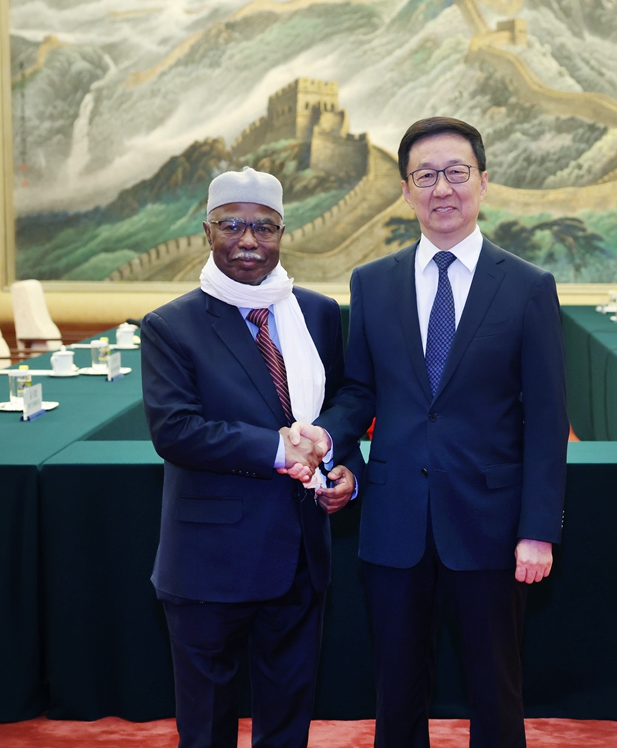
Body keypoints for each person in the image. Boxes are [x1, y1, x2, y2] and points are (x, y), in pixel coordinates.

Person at [290, 117, 568, 747]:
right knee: (396, 689)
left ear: (483, 182)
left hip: (491, 525)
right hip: (394, 521)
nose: (442, 188)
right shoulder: (372, 283)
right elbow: (359, 392)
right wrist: (327, 438)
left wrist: (537, 530)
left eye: (456, 172)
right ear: (406, 190)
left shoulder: (528, 287)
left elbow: (548, 420)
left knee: (495, 690)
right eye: (425, 176)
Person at [140, 167, 362, 748]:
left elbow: (343, 402)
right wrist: (278, 448)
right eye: (231, 225)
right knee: (207, 728)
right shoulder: (171, 325)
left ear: (282, 232)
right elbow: (175, 430)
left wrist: (341, 467)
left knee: (288, 723)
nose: (248, 240)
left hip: (300, 554)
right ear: (206, 231)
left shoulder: (316, 312)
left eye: (263, 227)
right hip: (210, 563)